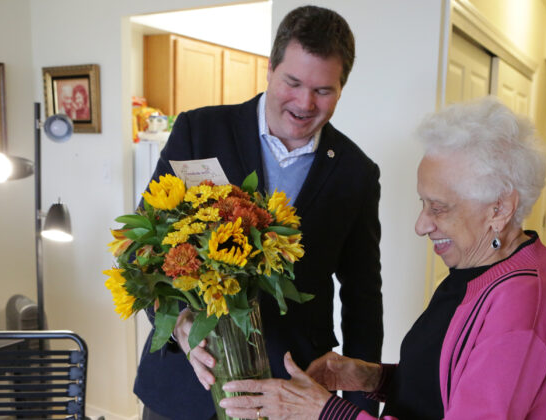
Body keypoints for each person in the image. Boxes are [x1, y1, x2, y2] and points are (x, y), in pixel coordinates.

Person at [219, 97, 546, 420]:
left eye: (439, 208)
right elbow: (444, 387)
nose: (422, 225)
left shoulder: (520, 309)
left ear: (500, 209)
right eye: (423, 203)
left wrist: (324, 412)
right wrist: (371, 377)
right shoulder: (478, 269)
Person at [134, 5, 383, 420]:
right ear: (270, 68)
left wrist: (357, 408)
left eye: (324, 90)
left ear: (342, 87)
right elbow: (147, 245)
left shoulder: (356, 173)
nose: (305, 103)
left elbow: (363, 296)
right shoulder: (199, 131)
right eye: (293, 82)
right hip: (183, 389)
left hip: (289, 393)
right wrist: (180, 325)